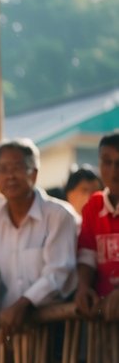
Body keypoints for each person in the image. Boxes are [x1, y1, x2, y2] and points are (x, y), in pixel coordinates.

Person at [0, 139, 78, 341]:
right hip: (10, 331)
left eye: (18, 168)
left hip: (55, 327)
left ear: (34, 173)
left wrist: (23, 304)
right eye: (2, 169)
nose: (10, 176)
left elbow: (58, 272)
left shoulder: (59, 215)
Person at [75, 133, 119, 321]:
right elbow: (87, 255)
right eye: (107, 162)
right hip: (104, 314)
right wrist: (83, 287)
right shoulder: (94, 205)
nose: (114, 170)